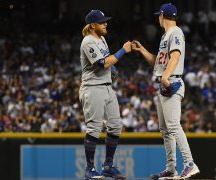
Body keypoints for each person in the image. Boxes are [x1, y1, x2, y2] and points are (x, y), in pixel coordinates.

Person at [131, 3, 200, 179]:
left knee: (173, 126)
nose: (158, 19)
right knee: (165, 129)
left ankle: (190, 164)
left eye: (159, 16)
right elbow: (158, 63)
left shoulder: (175, 32)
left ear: (162, 16)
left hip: (172, 82)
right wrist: (142, 51)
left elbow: (175, 56)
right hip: (165, 82)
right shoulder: (166, 36)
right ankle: (171, 168)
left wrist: (165, 78)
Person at [79, 9, 131, 180]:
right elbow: (102, 63)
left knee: (116, 126)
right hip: (93, 87)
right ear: (93, 25)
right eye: (102, 22)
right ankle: (89, 169)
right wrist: (123, 50)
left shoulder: (102, 39)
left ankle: (108, 165)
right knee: (94, 128)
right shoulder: (88, 41)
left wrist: (114, 69)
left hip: (107, 87)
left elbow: (108, 62)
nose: (105, 23)